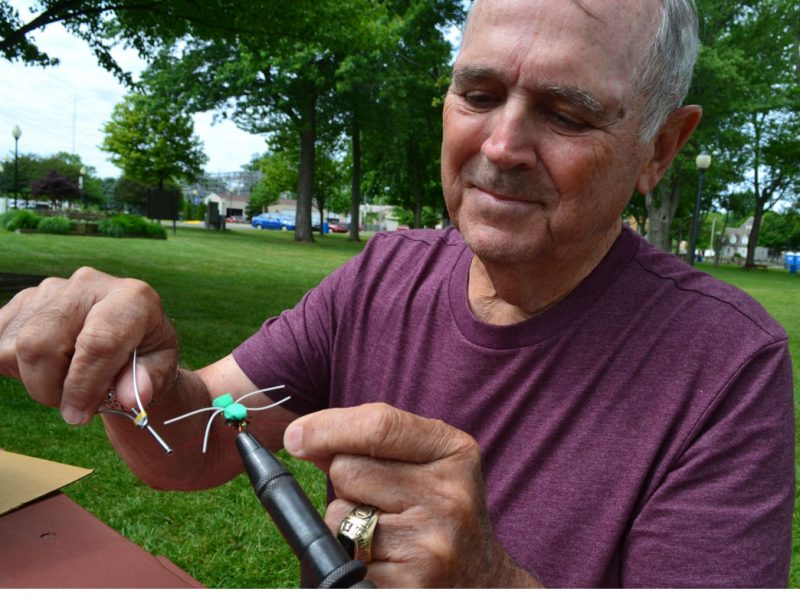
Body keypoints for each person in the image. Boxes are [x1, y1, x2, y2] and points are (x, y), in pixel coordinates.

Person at [0, 0, 794, 588]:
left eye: (564, 112)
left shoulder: (725, 365)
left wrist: (490, 582)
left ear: (660, 147)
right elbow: (199, 436)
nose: (503, 145)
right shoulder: (385, 274)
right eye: (479, 96)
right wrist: (130, 367)